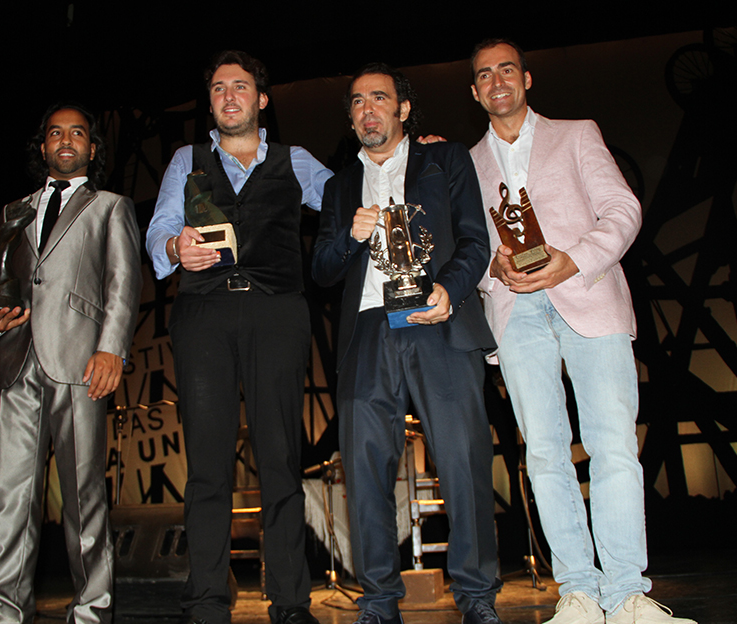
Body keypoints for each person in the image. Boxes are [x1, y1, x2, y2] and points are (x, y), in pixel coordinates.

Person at [469, 39, 695, 624]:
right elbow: (470, 248)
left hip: (589, 297)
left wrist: (577, 259)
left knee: (613, 445)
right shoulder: (466, 163)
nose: (497, 81)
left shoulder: (576, 134)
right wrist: (493, 269)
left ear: (527, 79)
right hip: (516, 313)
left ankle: (627, 594)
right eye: (485, 74)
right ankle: (579, 593)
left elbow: (622, 209)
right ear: (474, 90)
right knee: (545, 454)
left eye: (507, 69)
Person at [145, 50, 331, 624]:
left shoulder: (294, 160)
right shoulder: (187, 159)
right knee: (207, 465)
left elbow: (350, 197)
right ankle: (206, 601)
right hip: (205, 315)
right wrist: (175, 247)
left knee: (280, 458)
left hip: (277, 313)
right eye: (220, 88)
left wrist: (406, 155)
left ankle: (290, 603)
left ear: (262, 99)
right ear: (211, 103)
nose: (230, 96)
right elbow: (160, 229)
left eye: (241, 86)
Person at [312, 63, 502, 624]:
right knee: (366, 469)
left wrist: (450, 289)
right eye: (357, 101)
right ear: (351, 118)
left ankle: (476, 596)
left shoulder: (445, 160)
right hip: (368, 328)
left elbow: (475, 240)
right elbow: (321, 269)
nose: (368, 109)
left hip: (438, 317)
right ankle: (378, 600)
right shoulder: (338, 186)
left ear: (404, 109)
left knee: (463, 458)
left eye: (379, 98)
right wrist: (350, 237)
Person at [0, 103, 142, 624]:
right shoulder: (13, 210)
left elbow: (123, 282)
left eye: (77, 133)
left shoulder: (110, 207)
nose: (65, 140)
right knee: (10, 499)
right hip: (13, 362)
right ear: (42, 146)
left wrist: (112, 348)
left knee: (83, 498)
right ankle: (3, 612)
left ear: (92, 147)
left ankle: (91, 611)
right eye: (54, 133)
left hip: (80, 361)